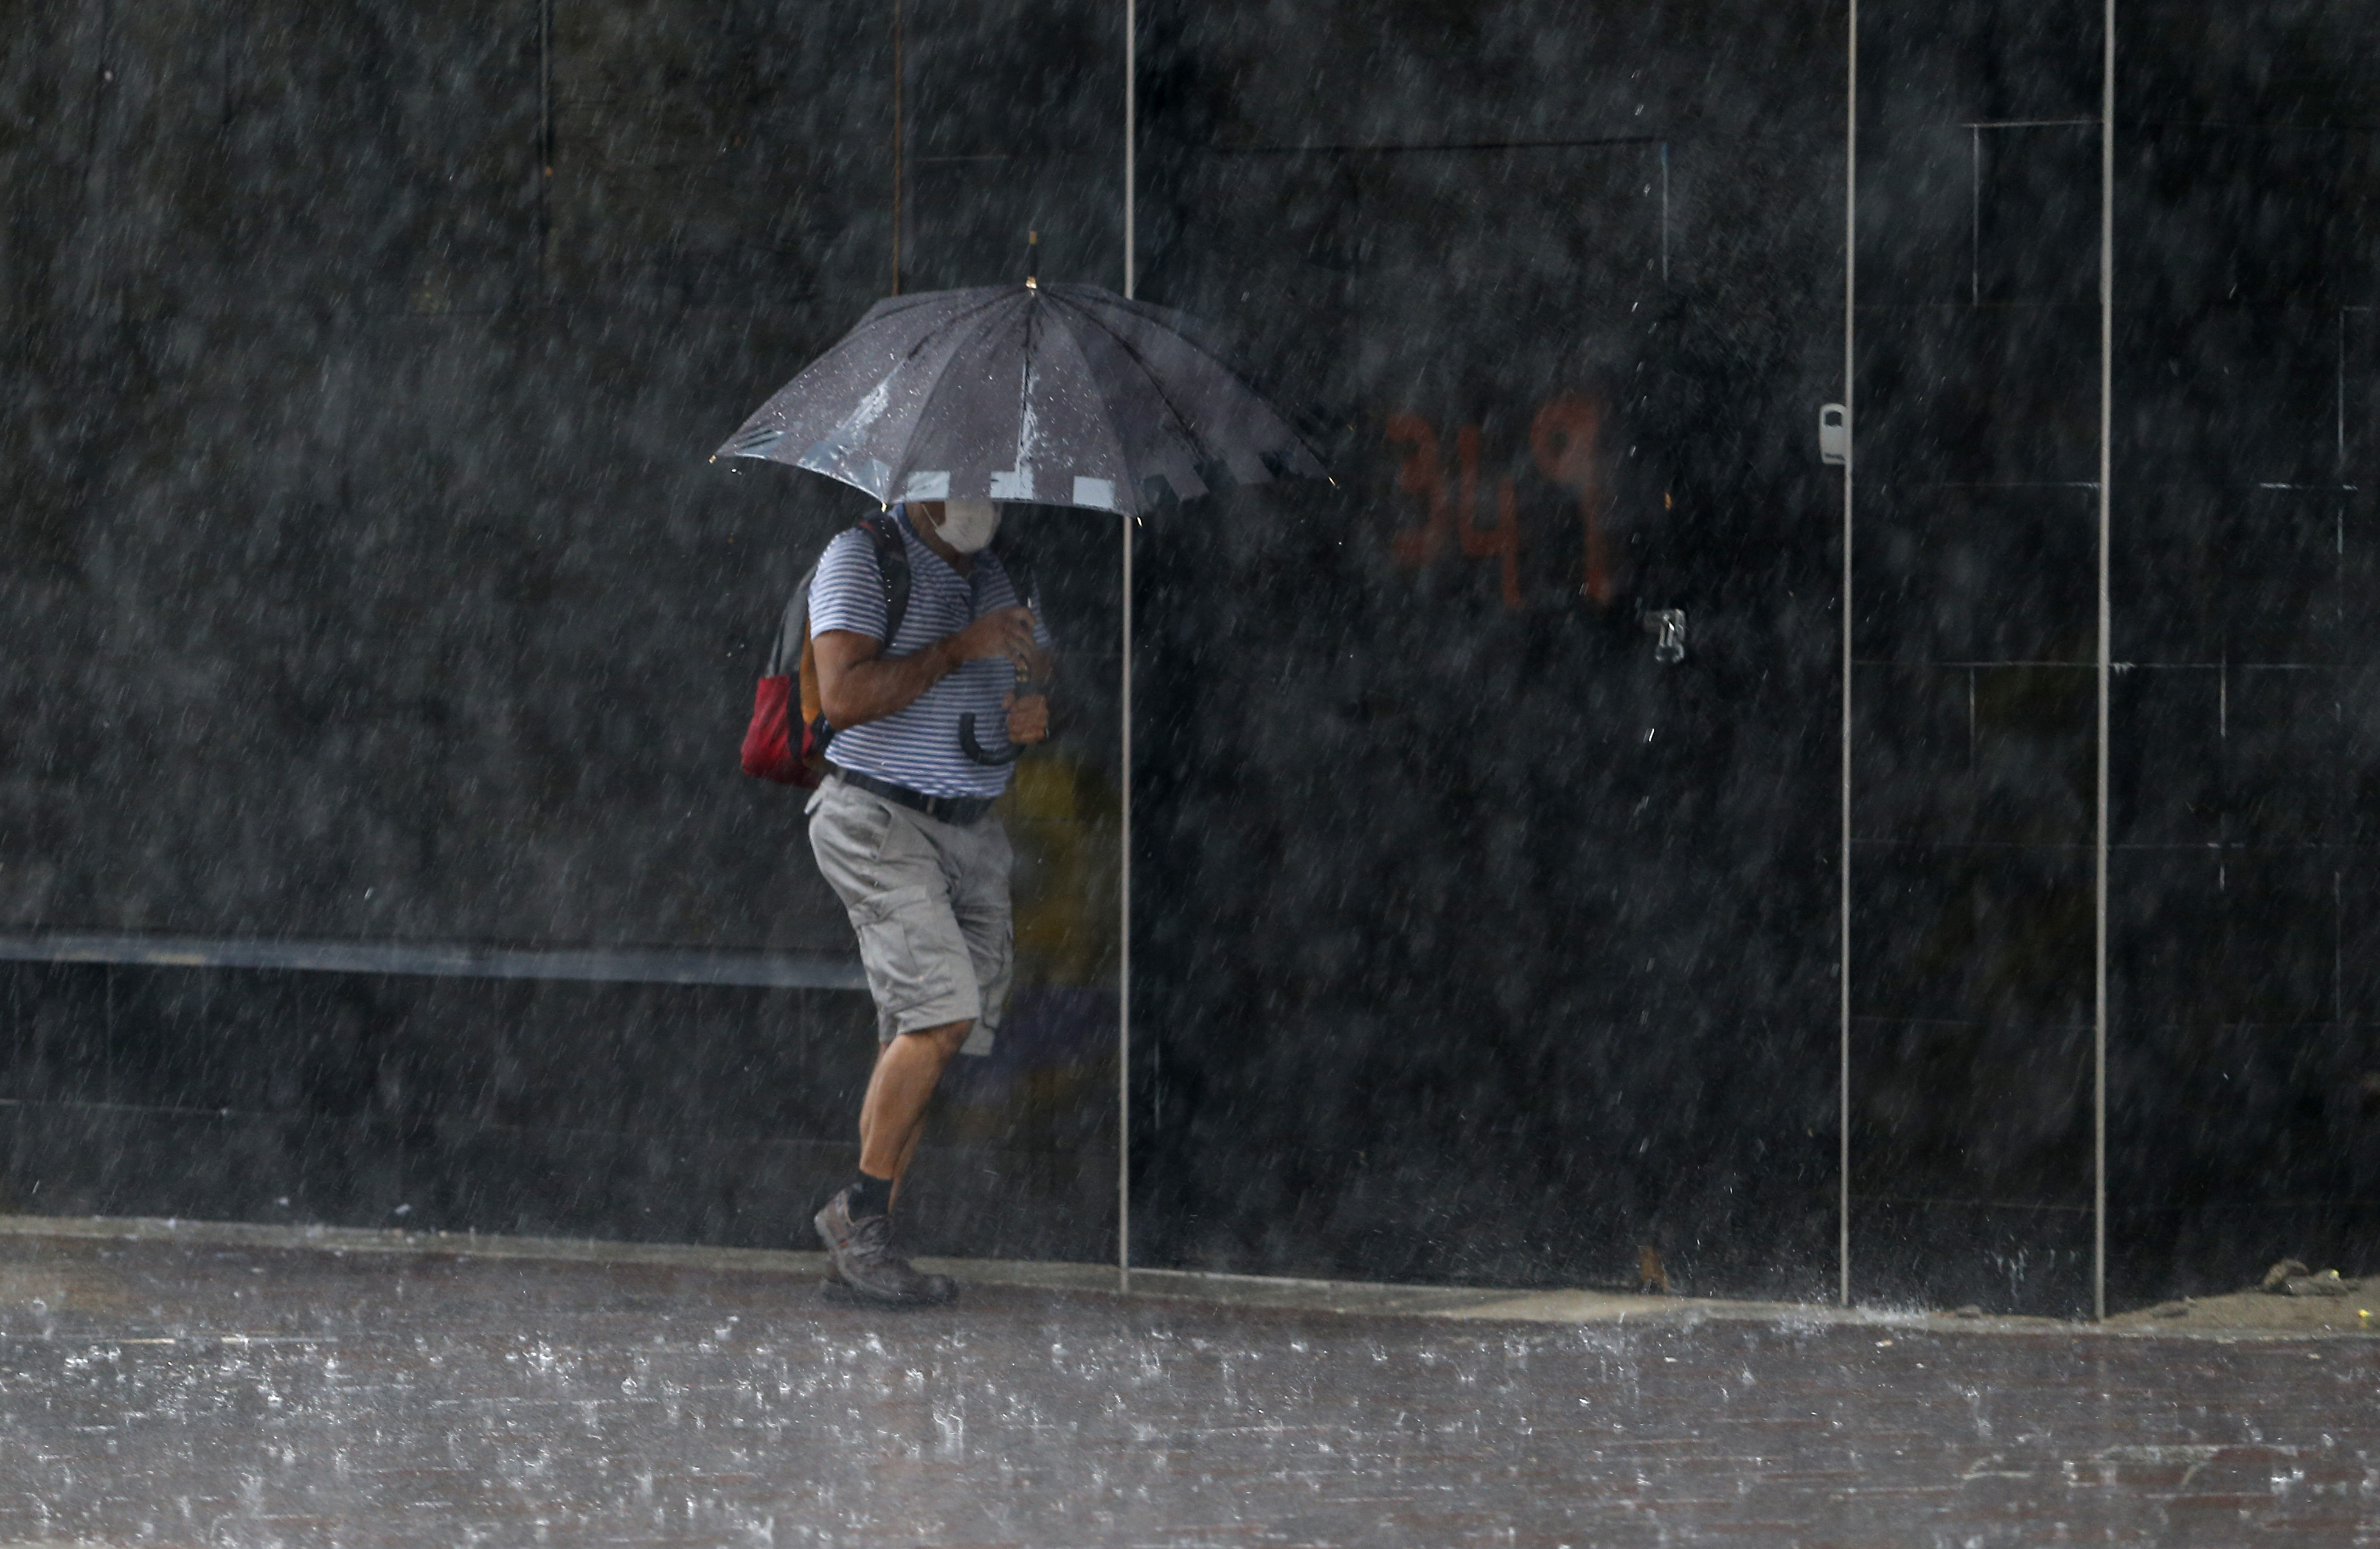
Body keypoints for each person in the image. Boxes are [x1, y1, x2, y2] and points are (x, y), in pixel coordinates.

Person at [804, 496, 1052, 1306]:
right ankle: (857, 1216)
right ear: (921, 480)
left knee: (927, 1034)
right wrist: (956, 649)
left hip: (972, 832)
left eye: (993, 482)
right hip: (879, 816)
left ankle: (865, 1253)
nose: (981, 500)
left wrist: (1034, 707)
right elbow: (842, 698)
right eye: (963, 479)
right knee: (939, 1013)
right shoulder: (865, 557)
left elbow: (1034, 671)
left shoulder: (995, 573)